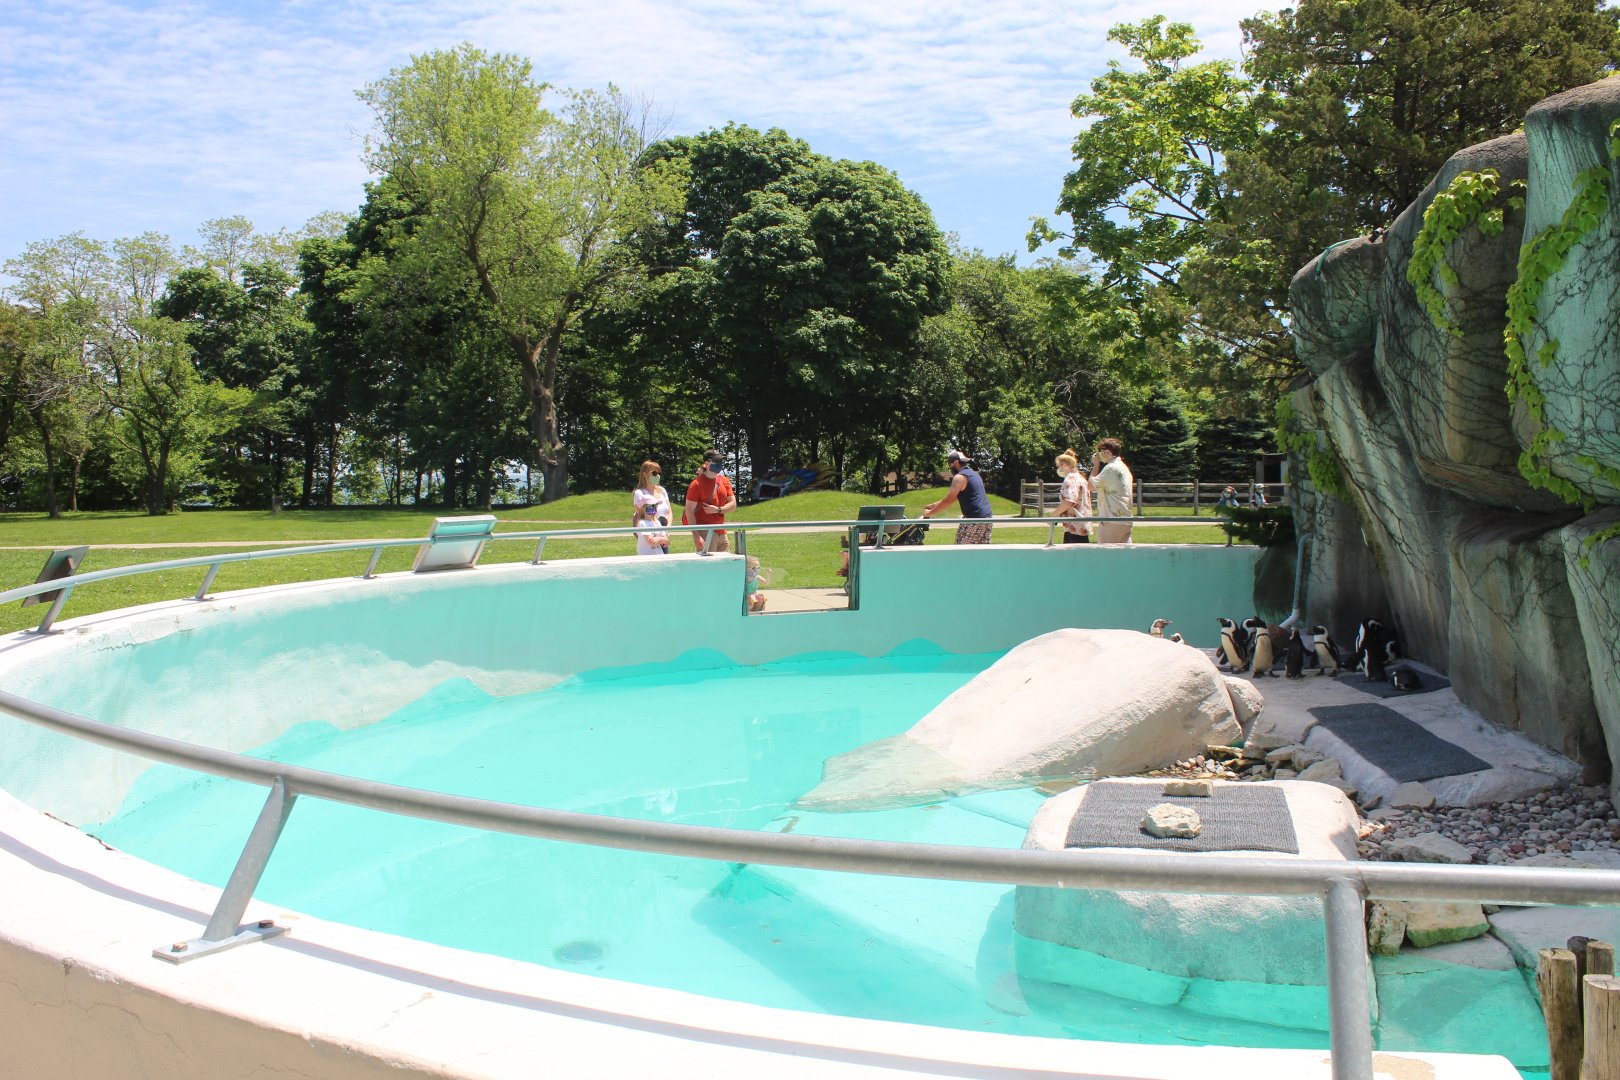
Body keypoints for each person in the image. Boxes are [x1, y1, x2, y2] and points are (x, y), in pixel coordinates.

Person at [921, 449, 993, 544]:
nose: (950, 468)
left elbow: (948, 501)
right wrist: (933, 506)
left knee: (960, 551)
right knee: (980, 553)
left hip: (973, 519)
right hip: (988, 518)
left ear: (955, 463)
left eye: (950, 465)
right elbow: (955, 497)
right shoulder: (975, 474)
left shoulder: (959, 477)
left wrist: (929, 513)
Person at [684, 449, 737, 553]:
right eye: (716, 461)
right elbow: (689, 510)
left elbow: (733, 504)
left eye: (720, 461)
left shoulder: (724, 480)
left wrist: (718, 510)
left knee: (725, 566)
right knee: (709, 567)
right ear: (707, 463)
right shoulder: (696, 484)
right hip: (705, 531)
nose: (720, 464)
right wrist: (696, 536)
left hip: (722, 532)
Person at [1091, 437, 1134, 544]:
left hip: (1111, 519)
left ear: (1107, 452)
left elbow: (1091, 486)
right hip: (1125, 518)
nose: (1098, 455)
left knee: (1106, 556)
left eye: (1100, 451)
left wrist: (1096, 465)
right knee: (1124, 555)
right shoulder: (1123, 467)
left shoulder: (1111, 468)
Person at [631, 460, 671, 555]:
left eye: (659, 473)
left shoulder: (662, 491)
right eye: (654, 473)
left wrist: (666, 531)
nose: (657, 475)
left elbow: (669, 512)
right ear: (645, 474)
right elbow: (641, 514)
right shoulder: (640, 493)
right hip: (650, 534)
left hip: (663, 533)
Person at [1054, 449, 1092, 544]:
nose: (1059, 469)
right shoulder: (1080, 478)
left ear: (1064, 465)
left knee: (1076, 556)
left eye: (1059, 466)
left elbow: (1069, 501)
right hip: (1079, 522)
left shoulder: (1070, 479)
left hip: (1075, 524)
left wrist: (1054, 514)